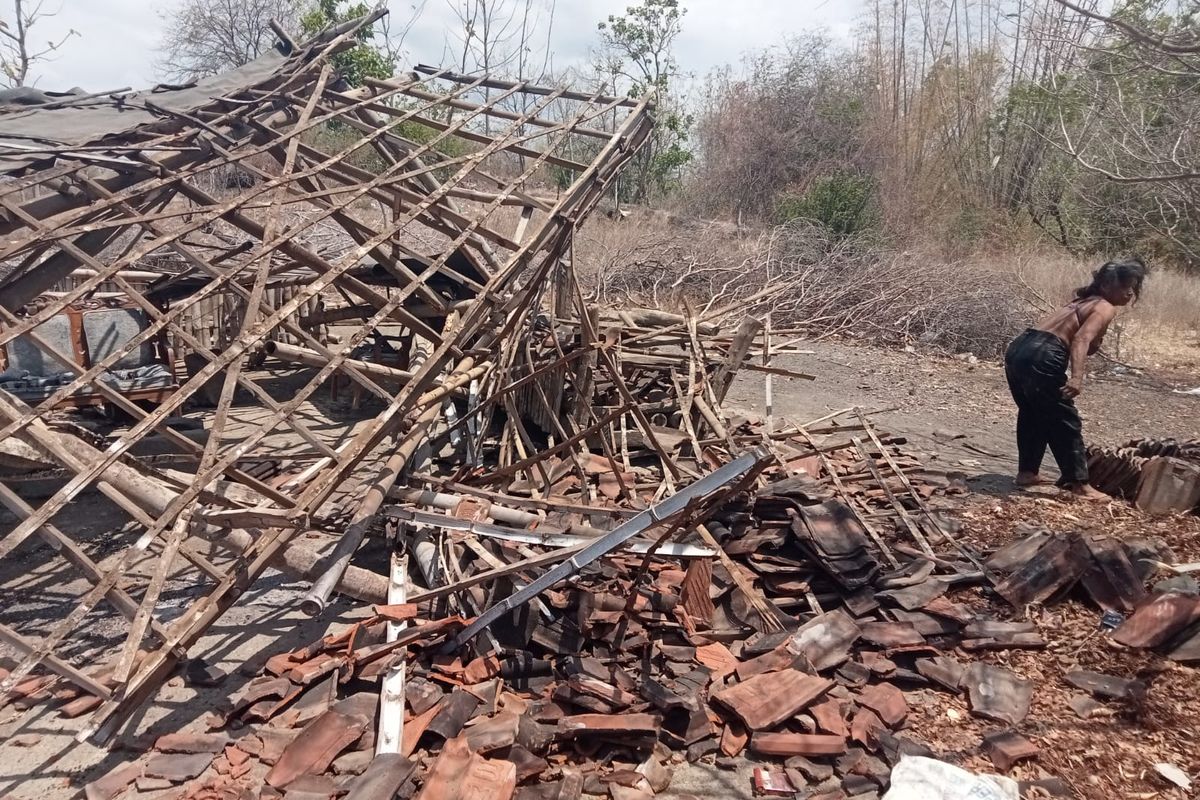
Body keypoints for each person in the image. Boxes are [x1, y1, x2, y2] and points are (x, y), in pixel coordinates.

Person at [1004, 257, 1147, 497]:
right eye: (1124, 286)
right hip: (1044, 354)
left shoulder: (1082, 302)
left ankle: (1027, 473)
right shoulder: (1104, 306)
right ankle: (1079, 483)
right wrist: (1077, 377)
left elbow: (1085, 341)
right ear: (1105, 286)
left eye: (1133, 286)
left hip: (1020, 348)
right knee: (1065, 419)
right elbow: (1081, 340)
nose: (1130, 292)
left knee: (1033, 413)